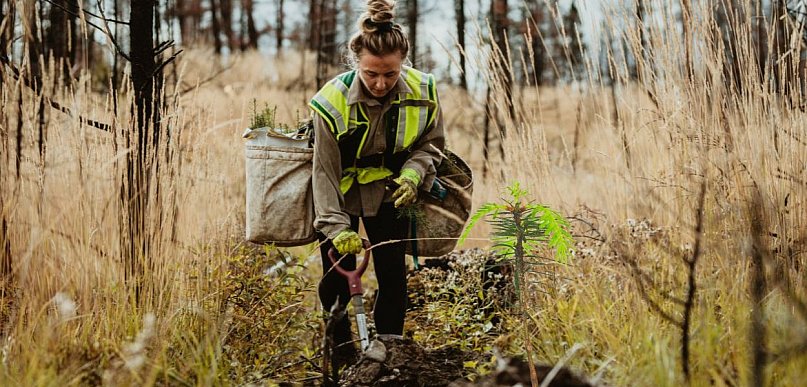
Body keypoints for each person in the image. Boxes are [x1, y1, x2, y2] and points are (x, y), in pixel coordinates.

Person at [308, 0, 444, 371]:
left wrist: (415, 174)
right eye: (371, 75)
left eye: (390, 74)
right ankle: (340, 360)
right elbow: (324, 173)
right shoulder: (330, 102)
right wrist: (336, 229)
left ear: (403, 63)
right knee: (335, 284)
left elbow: (431, 144)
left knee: (393, 281)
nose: (381, 83)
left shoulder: (424, 90)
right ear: (355, 63)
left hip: (392, 193)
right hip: (340, 197)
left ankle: (389, 360)